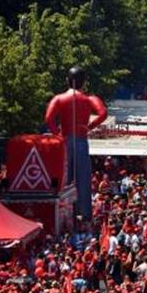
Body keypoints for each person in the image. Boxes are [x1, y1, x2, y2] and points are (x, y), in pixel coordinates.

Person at [44, 66, 107, 229]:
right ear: (84, 82)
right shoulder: (88, 99)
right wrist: (90, 126)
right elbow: (103, 113)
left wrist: (57, 135)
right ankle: (84, 215)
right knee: (83, 179)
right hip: (80, 140)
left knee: (65, 179)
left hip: (64, 141)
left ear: (67, 80)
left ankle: (63, 213)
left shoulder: (59, 98)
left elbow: (48, 118)